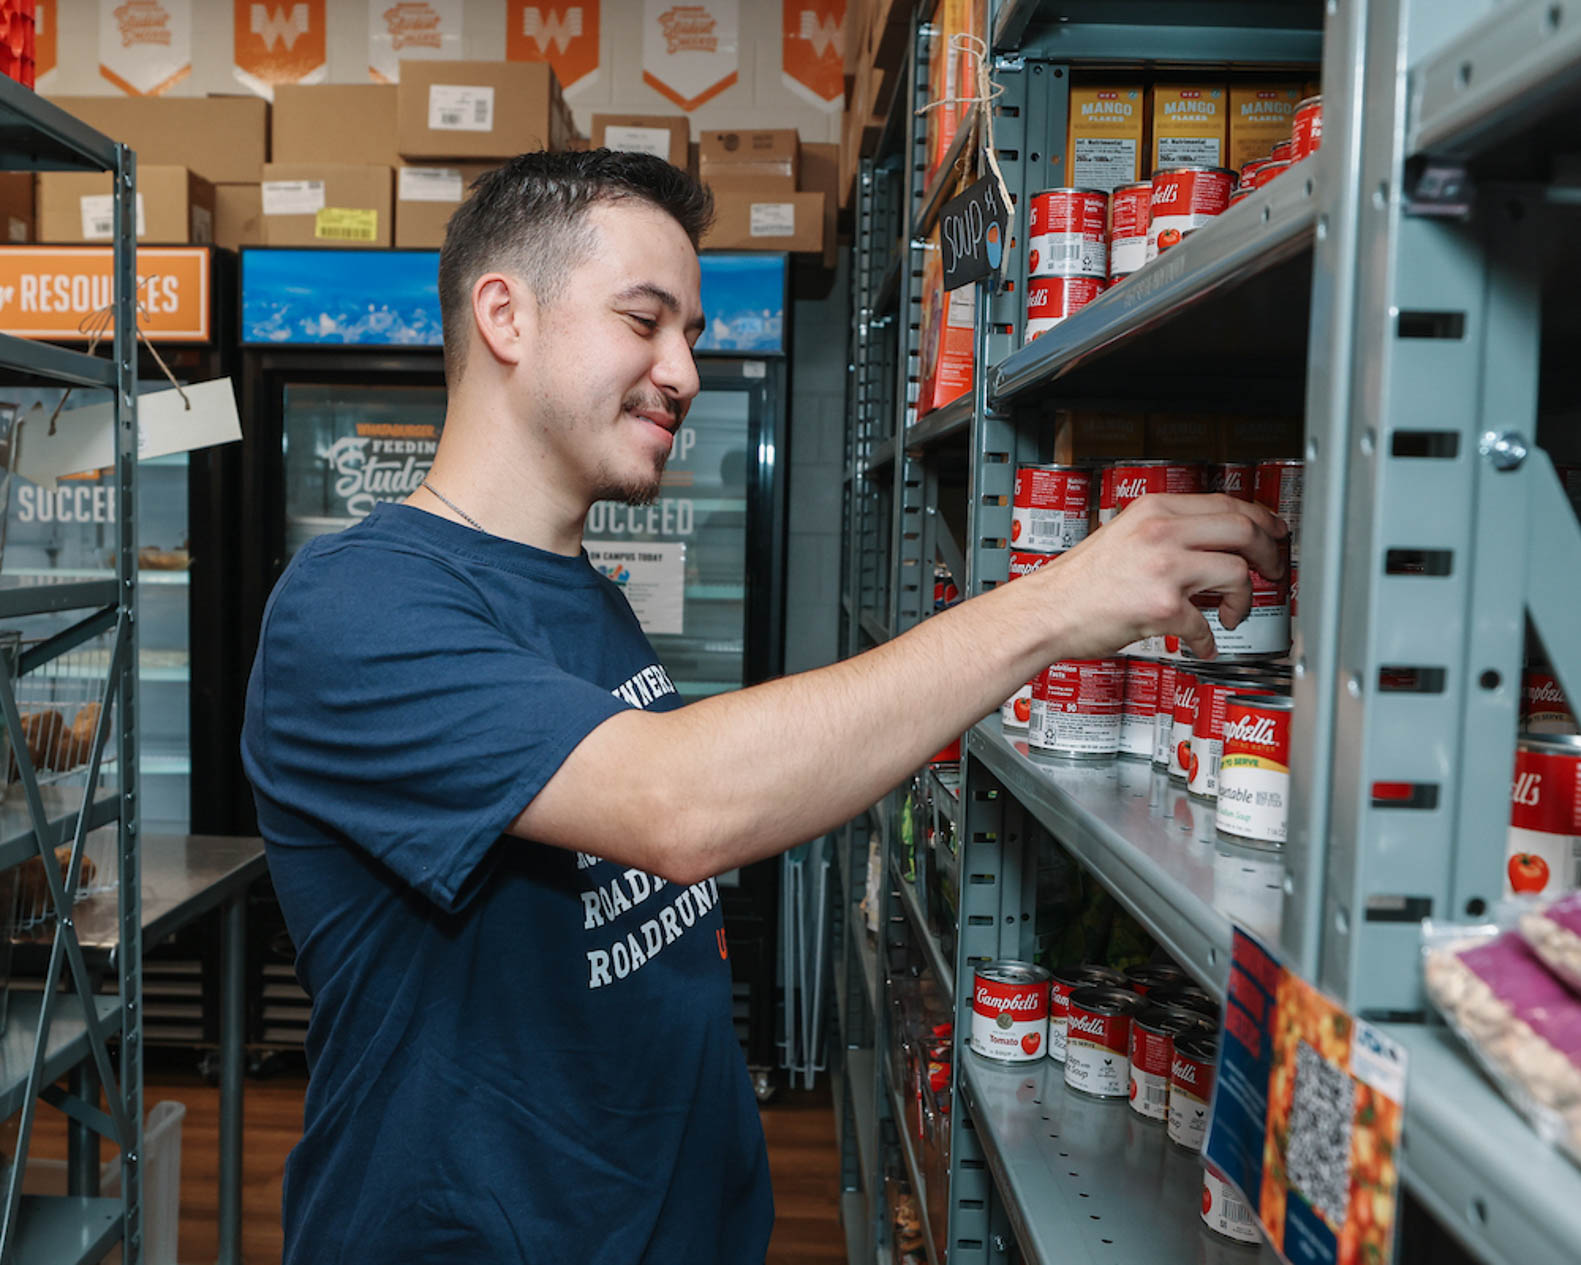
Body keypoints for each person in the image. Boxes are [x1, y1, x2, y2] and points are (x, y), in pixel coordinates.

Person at [241, 149, 1286, 1265]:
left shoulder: (580, 591)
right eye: (644, 320)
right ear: (506, 315)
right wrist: (1055, 603)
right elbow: (678, 804)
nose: (683, 371)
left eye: (689, 333)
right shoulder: (352, 607)